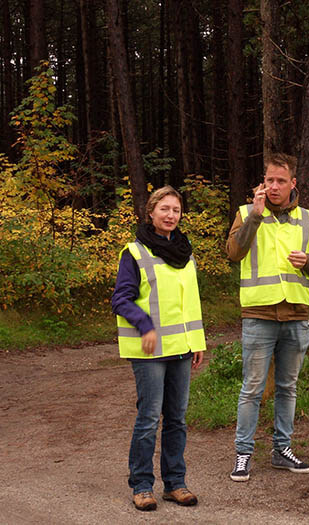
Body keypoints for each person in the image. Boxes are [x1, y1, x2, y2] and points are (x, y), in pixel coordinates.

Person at [226, 153, 309, 482]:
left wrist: (308, 261)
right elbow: (234, 253)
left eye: (281, 180)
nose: (274, 186)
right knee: (252, 388)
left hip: (296, 314)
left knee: (288, 387)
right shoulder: (246, 213)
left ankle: (282, 450)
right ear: (262, 181)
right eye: (269, 180)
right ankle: (243, 454)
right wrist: (254, 216)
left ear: (293, 183)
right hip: (259, 314)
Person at [112, 186, 205, 512]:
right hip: (149, 351)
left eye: (176, 210)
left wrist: (197, 342)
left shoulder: (186, 253)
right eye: (164, 209)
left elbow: (189, 303)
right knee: (149, 418)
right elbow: (120, 299)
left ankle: (175, 484)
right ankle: (141, 485)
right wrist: (145, 325)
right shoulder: (135, 253)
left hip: (182, 348)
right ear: (150, 212)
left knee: (177, 419)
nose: (170, 215)